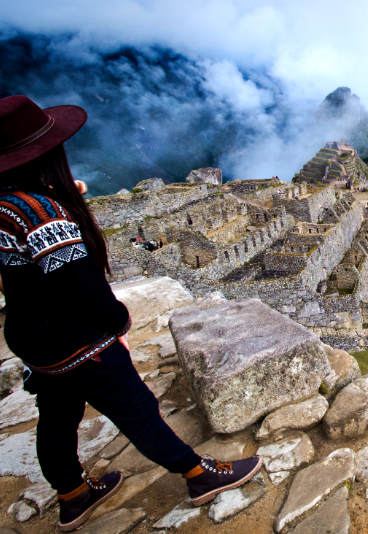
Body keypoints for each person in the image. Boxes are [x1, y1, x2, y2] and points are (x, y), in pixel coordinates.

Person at [0, 96, 261, 532]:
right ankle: (198, 474)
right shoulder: (46, 215)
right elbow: (83, 287)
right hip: (78, 339)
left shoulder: (8, 208)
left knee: (57, 417)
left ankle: (73, 494)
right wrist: (116, 326)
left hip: (34, 341)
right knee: (137, 408)